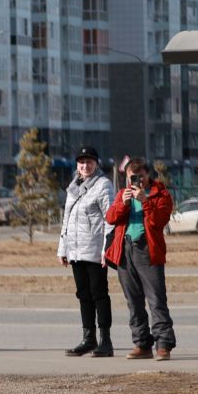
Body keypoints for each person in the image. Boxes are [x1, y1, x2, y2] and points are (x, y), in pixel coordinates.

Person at [104, 157, 175, 361]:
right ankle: (142, 344)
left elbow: (159, 221)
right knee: (133, 302)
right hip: (125, 250)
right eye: (131, 178)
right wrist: (123, 204)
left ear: (148, 175)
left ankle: (163, 344)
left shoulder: (160, 194)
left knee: (156, 299)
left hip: (148, 250)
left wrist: (144, 200)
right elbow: (110, 218)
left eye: (140, 177)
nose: (136, 181)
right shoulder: (122, 195)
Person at [56, 145, 115, 357]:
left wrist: (106, 250)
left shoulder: (103, 185)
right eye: (81, 162)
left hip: (95, 249)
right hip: (76, 250)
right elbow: (67, 219)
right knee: (83, 295)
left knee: (99, 294)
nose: (85, 165)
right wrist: (62, 249)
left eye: (89, 161)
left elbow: (111, 219)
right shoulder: (73, 186)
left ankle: (105, 341)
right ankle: (88, 338)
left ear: (96, 163)